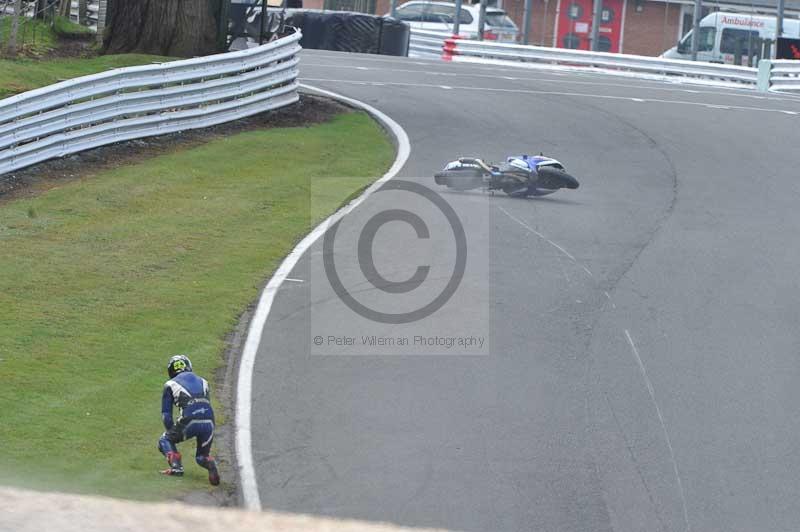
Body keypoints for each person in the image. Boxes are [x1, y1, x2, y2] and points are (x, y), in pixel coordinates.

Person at [157, 355, 220, 486]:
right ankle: (210, 463)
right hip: (209, 421)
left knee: (164, 440)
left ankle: (176, 467)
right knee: (201, 456)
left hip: (190, 419)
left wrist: (172, 434)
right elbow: (204, 404)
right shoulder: (204, 381)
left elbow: (166, 416)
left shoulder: (170, 384)